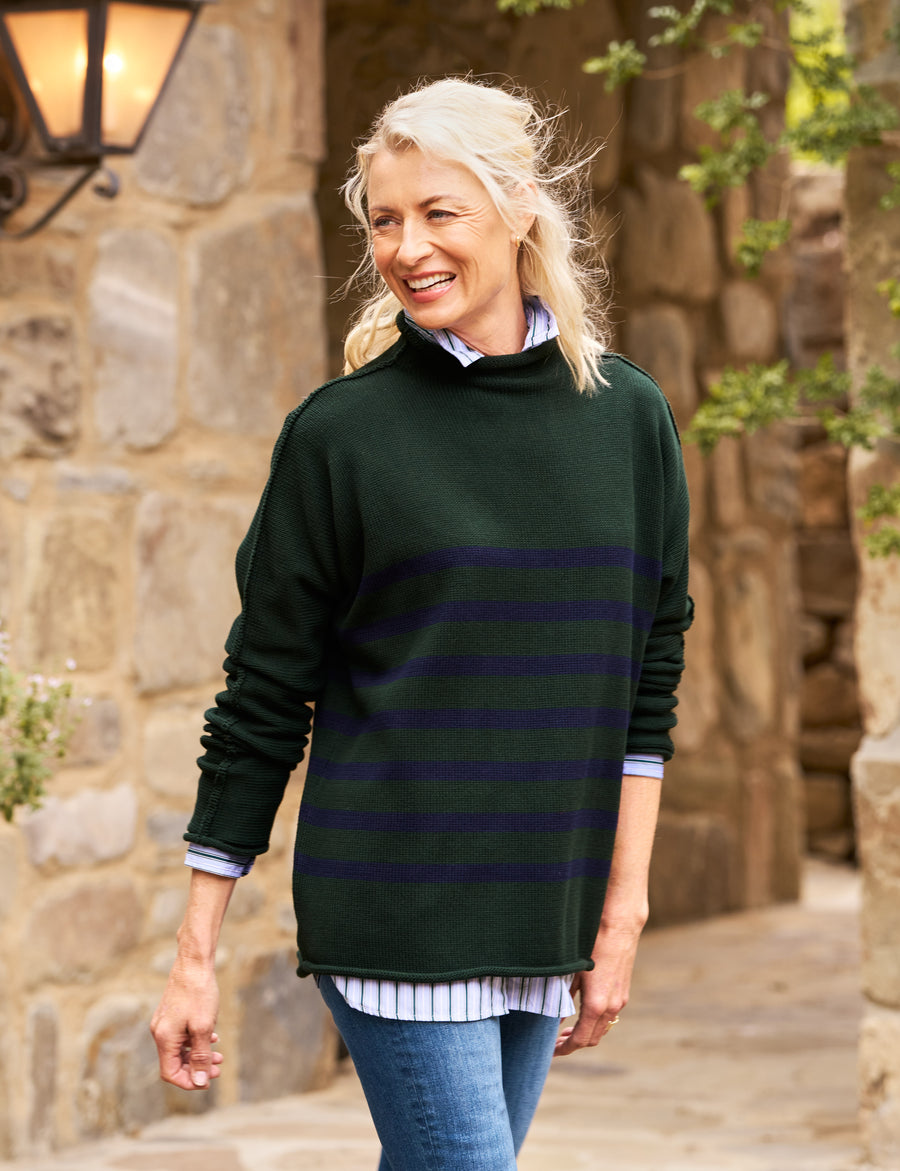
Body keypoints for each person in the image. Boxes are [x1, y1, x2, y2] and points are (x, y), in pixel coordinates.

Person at [151, 76, 693, 1170]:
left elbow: (648, 675)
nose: (408, 249)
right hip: (394, 907)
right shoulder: (341, 437)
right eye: (385, 221)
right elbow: (263, 699)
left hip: (546, 906)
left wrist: (622, 911)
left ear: (521, 208)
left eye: (440, 212)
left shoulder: (628, 418)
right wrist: (194, 952)